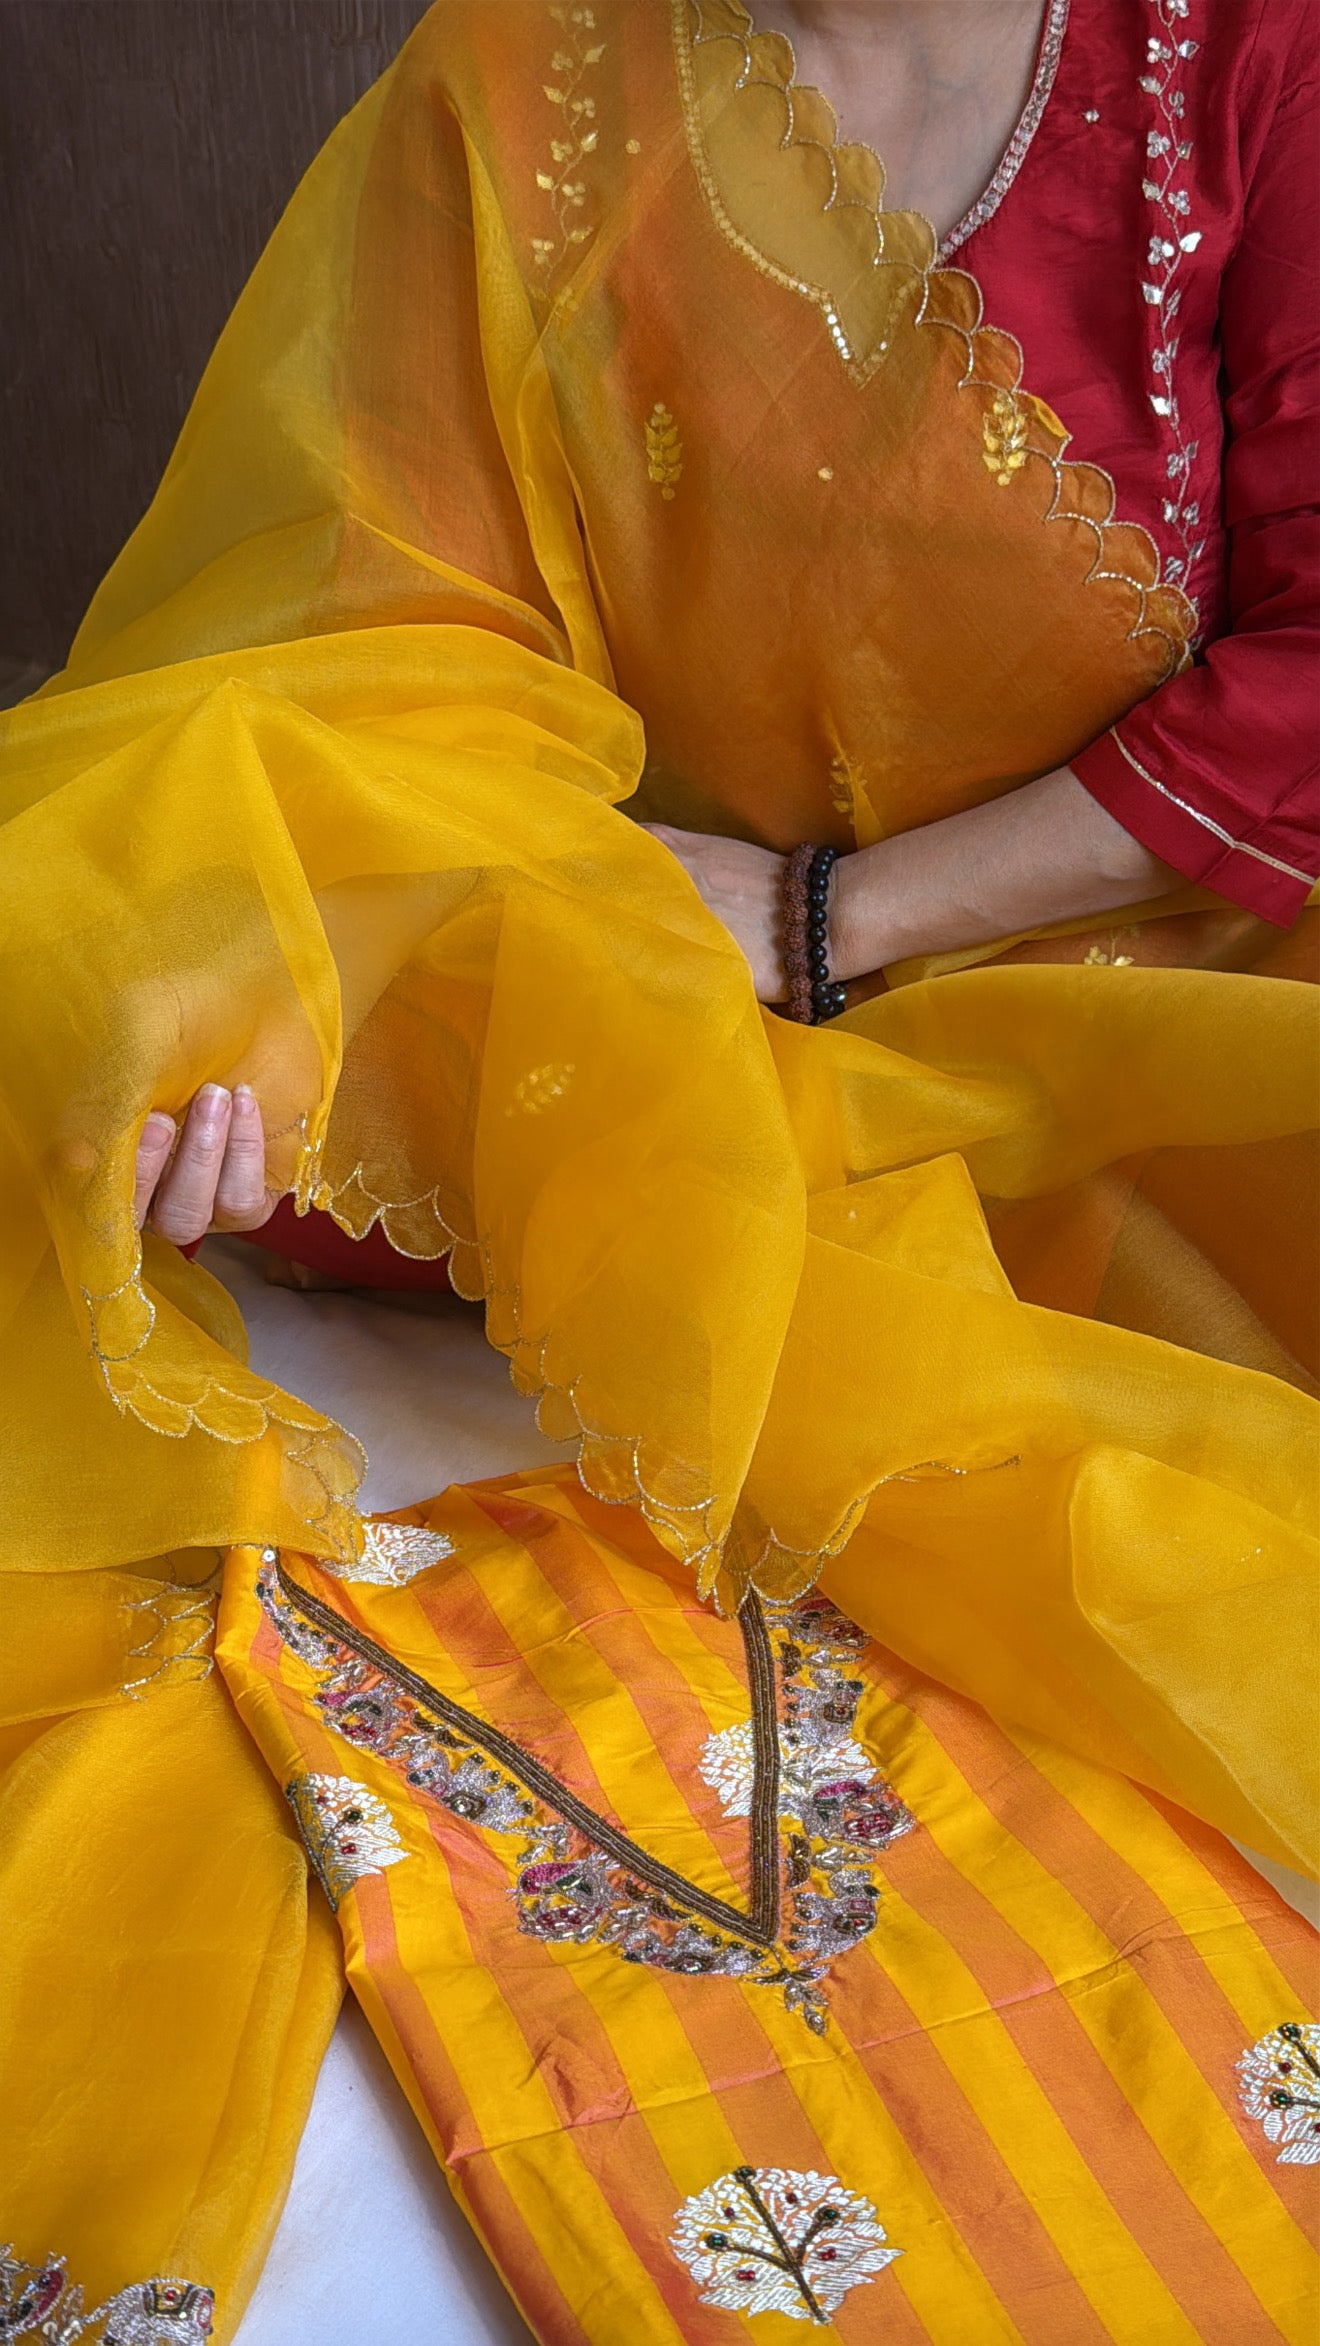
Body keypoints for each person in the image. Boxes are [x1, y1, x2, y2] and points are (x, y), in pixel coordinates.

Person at [1, 3, 1316, 2339]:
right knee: (111, 983)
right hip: (673, 1005)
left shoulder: (1257, 63)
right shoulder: (518, 84)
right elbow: (372, 657)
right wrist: (253, 996)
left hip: (1197, 1006)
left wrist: (831, 921)